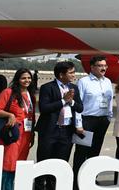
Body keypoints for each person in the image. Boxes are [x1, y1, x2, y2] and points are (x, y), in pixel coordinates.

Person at [34, 61, 83, 190]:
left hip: (66, 131)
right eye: (71, 72)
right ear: (61, 75)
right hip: (50, 130)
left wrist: (71, 102)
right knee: (44, 163)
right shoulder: (47, 87)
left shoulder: (74, 88)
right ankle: (39, 186)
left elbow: (80, 108)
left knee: (61, 163)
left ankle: (53, 186)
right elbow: (44, 108)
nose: (74, 75)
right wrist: (63, 101)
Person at [73, 55, 114, 182]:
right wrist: (78, 124)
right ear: (92, 67)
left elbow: (110, 100)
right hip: (87, 121)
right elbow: (78, 104)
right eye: (100, 66)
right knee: (81, 152)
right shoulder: (83, 82)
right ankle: (77, 180)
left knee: (95, 151)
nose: (103, 68)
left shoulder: (107, 81)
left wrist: (109, 116)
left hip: (102, 121)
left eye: (105, 66)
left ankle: (91, 179)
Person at [0, 69, 36, 190]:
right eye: (23, 78)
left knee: (20, 164)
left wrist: (32, 133)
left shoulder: (31, 96)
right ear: (17, 79)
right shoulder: (8, 92)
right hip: (13, 134)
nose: (27, 80)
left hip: (26, 135)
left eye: (29, 78)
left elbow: (31, 116)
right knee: (8, 164)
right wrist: (9, 115)